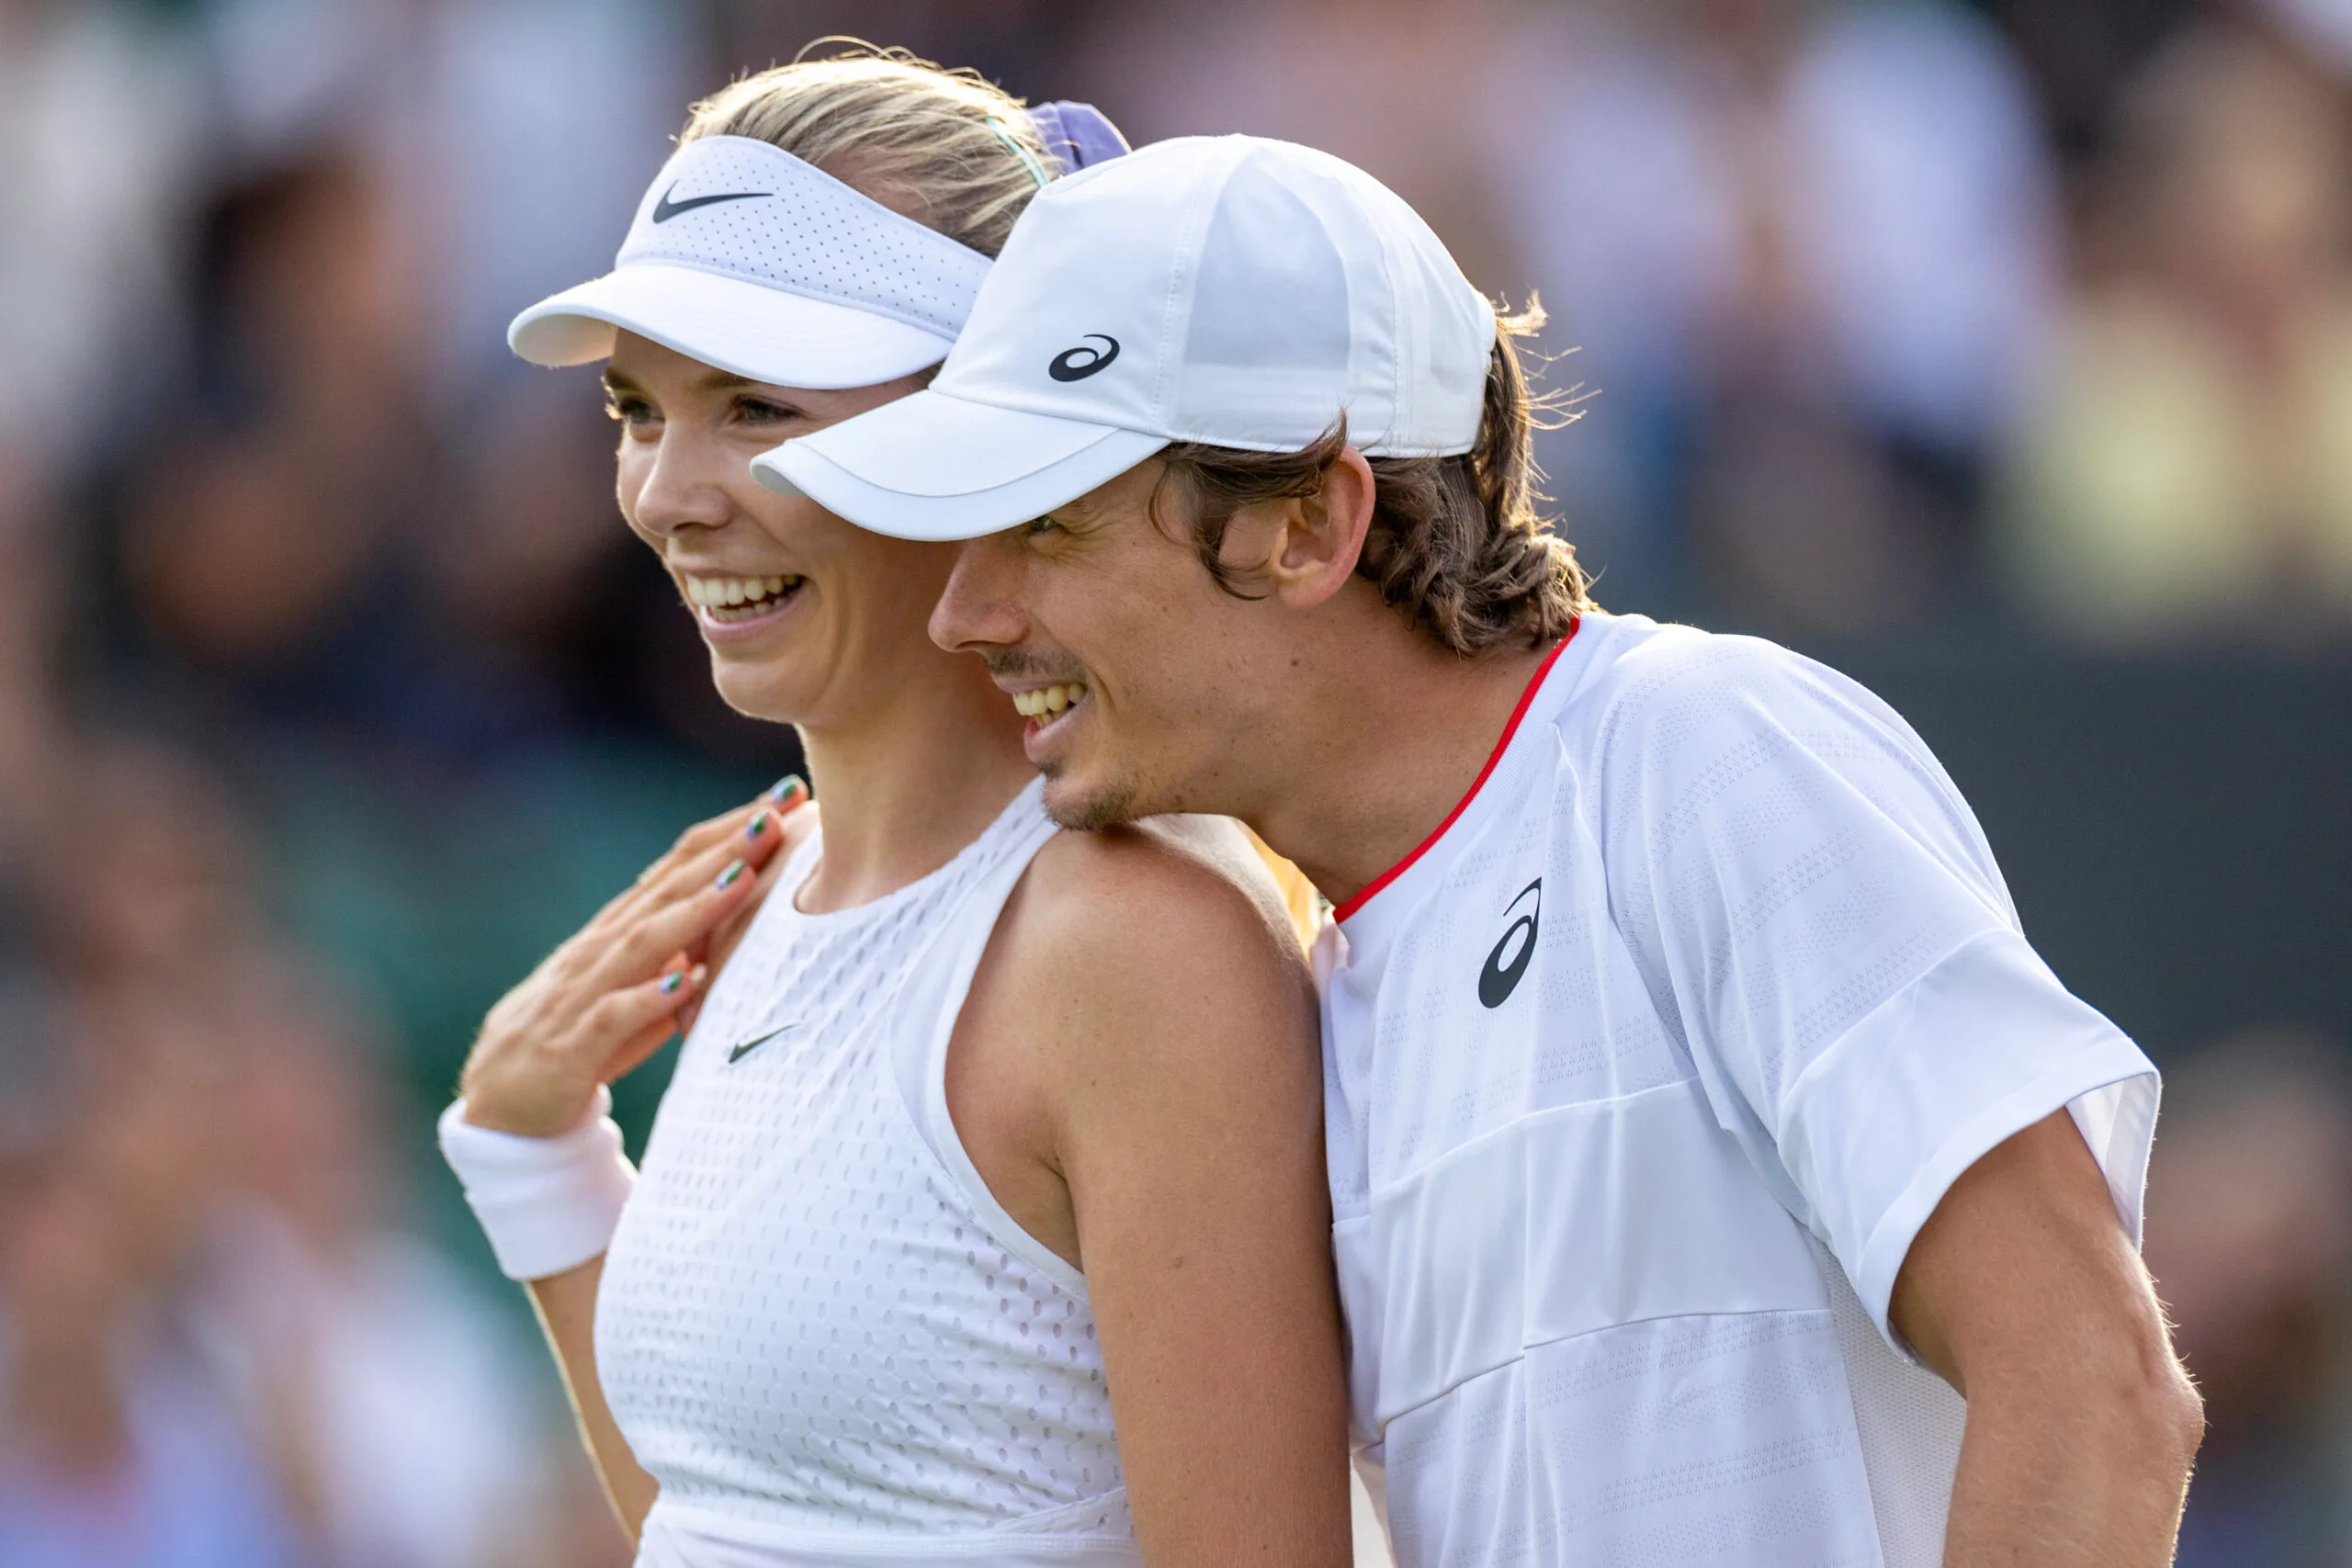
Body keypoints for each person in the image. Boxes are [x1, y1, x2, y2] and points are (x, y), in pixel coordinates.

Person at [756, 134, 2206, 1566]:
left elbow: (2093, 1383)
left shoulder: (1702, 754)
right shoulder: (1316, 997)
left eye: (1051, 528)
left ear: (1309, 523)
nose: (968, 613)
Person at [436, 62, 1351, 1567]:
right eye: (635, 409)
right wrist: (534, 1158)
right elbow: (740, 1522)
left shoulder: (1135, 938)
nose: (669, 492)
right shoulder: (759, 895)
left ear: (986, 426)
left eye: (755, 407)